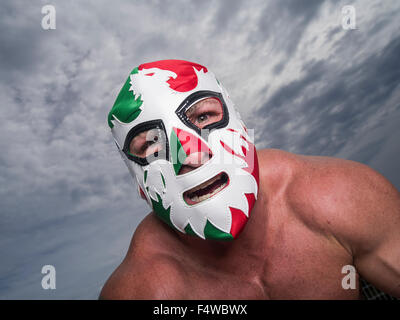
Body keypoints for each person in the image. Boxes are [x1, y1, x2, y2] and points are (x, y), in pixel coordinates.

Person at [100, 59, 400, 299]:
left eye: (203, 117)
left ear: (241, 126)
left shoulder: (339, 198)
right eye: (150, 144)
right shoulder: (143, 290)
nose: (191, 156)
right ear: (140, 185)